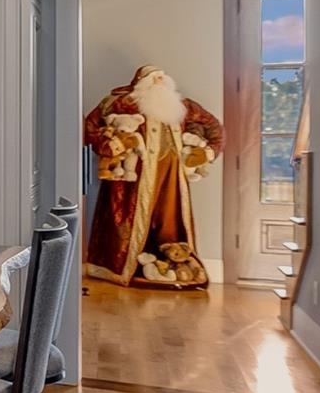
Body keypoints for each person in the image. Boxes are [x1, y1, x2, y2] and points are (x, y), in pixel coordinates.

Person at [82, 65, 222, 289]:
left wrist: (208, 152)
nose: (159, 82)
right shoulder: (120, 103)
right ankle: (127, 265)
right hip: (132, 181)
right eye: (153, 78)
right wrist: (112, 145)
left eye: (161, 78)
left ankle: (170, 261)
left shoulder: (182, 105)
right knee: (129, 224)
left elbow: (213, 126)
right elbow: (88, 128)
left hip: (172, 178)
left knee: (169, 221)